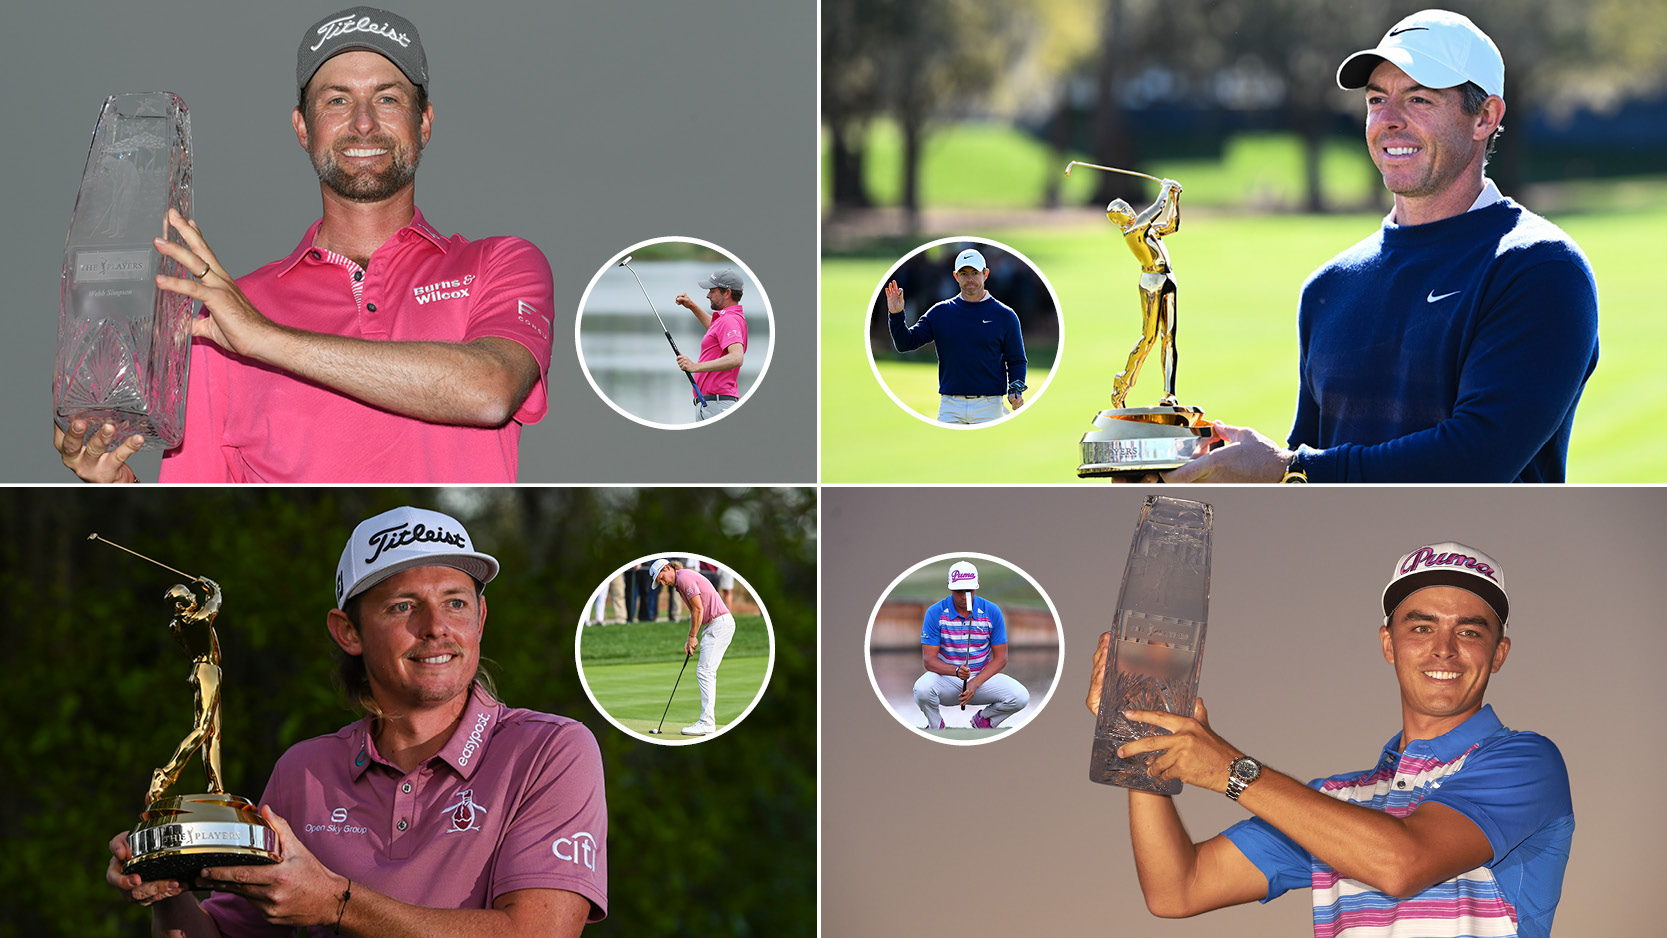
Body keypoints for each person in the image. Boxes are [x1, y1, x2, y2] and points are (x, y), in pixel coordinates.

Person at [57, 7, 553, 483]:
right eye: (337, 100)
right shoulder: (222, 317)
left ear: (423, 122)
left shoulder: (500, 262)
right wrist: (117, 489)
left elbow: (491, 391)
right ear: (303, 128)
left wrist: (264, 338)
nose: (363, 123)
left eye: (388, 98)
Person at [107, 505, 607, 936]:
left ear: (480, 618)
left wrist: (334, 901)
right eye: (403, 606)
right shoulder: (305, 770)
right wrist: (164, 884)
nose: (436, 628)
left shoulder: (550, 750)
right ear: (349, 631)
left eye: (456, 602)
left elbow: (538, 932)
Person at [1166, 10, 1598, 483]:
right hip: (1339, 560)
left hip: (1474, 559)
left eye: (1418, 99)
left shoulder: (1538, 269)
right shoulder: (1329, 287)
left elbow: (1478, 459)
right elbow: (1310, 476)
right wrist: (1208, 471)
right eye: (1376, 99)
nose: (1389, 121)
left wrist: (1291, 469)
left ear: (1485, 117)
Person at [1084, 541, 1572, 937]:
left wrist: (1229, 771)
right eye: (1421, 627)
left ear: (1499, 652)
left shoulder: (1526, 762)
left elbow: (1403, 863)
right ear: (1388, 644)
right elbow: (1178, 890)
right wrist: (1142, 738)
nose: (1442, 649)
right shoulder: (1333, 803)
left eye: (1469, 632)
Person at [886, 247, 1027, 425]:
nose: (970, 279)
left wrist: (1016, 388)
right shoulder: (940, 312)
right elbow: (906, 343)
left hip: (989, 406)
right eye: (964, 273)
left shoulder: (1005, 315)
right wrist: (896, 314)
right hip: (950, 406)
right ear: (955, 276)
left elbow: (1016, 360)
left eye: (975, 273)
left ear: (986, 274)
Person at [911, 560, 1029, 730]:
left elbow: (1001, 658)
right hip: (947, 680)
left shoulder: (992, 611)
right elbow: (929, 661)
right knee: (922, 689)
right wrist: (956, 671)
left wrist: (975, 683)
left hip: (981, 680)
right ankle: (936, 725)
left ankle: (985, 720)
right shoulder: (935, 612)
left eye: (969, 590)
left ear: (977, 586)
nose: (963, 595)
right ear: (949, 586)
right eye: (958, 590)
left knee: (1020, 696)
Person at [1106, 179, 1184, 409]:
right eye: (1123, 211)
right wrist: (1166, 189)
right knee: (1149, 338)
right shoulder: (1133, 230)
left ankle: (1170, 393)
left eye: (1127, 207)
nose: (1129, 210)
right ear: (1116, 219)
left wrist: (1175, 198)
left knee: (1169, 338)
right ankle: (1123, 382)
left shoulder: (1145, 228)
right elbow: (1156, 208)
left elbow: (1171, 225)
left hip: (1168, 278)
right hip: (1151, 282)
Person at [649, 558, 736, 735]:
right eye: (660, 582)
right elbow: (694, 612)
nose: (663, 583)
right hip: (714, 625)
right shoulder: (680, 582)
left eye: (662, 578)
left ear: (667, 568)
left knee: (705, 672)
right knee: (706, 671)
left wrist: (693, 636)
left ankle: (707, 722)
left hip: (719, 624)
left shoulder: (684, 578)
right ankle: (707, 721)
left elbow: (698, 610)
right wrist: (690, 639)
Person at [673, 268, 749, 422]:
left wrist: (695, 367)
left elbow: (736, 357)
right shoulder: (727, 319)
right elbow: (715, 331)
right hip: (713, 403)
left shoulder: (729, 320)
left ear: (727, 293)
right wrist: (692, 306)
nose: (708, 295)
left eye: (712, 291)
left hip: (717, 404)